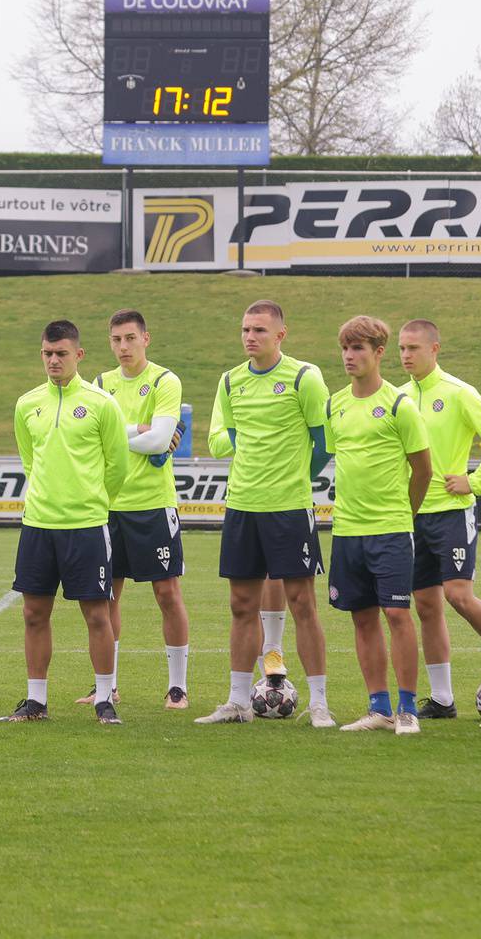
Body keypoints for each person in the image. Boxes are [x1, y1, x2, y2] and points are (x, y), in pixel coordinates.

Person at [196, 301, 336, 728]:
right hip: (241, 507)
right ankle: (238, 702)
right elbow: (230, 436)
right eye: (244, 329)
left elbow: (325, 442)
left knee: (302, 605)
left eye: (258, 329)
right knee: (241, 605)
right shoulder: (230, 380)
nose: (249, 337)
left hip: (289, 509)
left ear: (281, 334)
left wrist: (297, 479)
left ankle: (319, 703)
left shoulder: (303, 377)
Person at [2, 320, 129, 724]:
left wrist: (90, 501)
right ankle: (36, 701)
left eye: (61, 353)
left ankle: (104, 698)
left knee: (97, 614)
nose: (53, 360)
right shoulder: (27, 404)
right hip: (38, 524)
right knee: (34, 613)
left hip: (87, 525)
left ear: (79, 355)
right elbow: (29, 459)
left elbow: (117, 466)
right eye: (47, 354)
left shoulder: (101, 404)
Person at [397, 319, 481, 720]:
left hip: (450, 514)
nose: (407, 356)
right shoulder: (397, 398)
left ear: (435, 349)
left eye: (414, 348)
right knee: (425, 605)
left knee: (458, 595)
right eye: (402, 349)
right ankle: (442, 699)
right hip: (410, 514)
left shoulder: (460, 393)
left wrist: (477, 482)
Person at [325, 317, 432, 735]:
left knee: (397, 613)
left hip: (390, 529)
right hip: (347, 529)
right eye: (345, 350)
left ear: (378, 352)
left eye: (358, 350)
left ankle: (408, 709)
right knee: (362, 617)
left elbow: (422, 469)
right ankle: (378, 707)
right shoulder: (335, 403)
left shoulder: (399, 405)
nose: (350, 357)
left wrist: (405, 513)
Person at [82, 309, 191, 710]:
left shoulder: (164, 380)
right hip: (107, 505)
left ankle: (177, 686)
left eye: (130, 338)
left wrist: (123, 434)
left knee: (167, 593)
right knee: (107, 594)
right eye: (116, 340)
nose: (123, 347)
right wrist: (137, 431)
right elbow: (93, 438)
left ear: (146, 338)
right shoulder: (99, 384)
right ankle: (106, 687)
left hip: (152, 505)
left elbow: (160, 441)